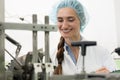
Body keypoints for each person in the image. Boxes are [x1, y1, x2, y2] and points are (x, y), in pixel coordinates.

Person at [49, 0, 117, 75]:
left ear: (81, 20)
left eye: (70, 20)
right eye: (60, 20)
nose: (64, 26)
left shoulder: (101, 52)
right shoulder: (51, 56)